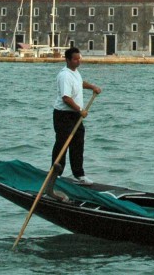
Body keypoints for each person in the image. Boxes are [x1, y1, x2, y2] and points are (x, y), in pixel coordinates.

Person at [47, 47, 101, 198]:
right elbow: (66, 98)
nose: (79, 61)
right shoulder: (64, 75)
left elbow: (79, 83)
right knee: (62, 143)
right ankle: (55, 173)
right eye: (76, 59)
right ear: (68, 60)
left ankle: (79, 174)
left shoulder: (75, 73)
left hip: (75, 115)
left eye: (79, 59)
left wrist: (92, 87)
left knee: (78, 142)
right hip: (63, 115)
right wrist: (80, 109)